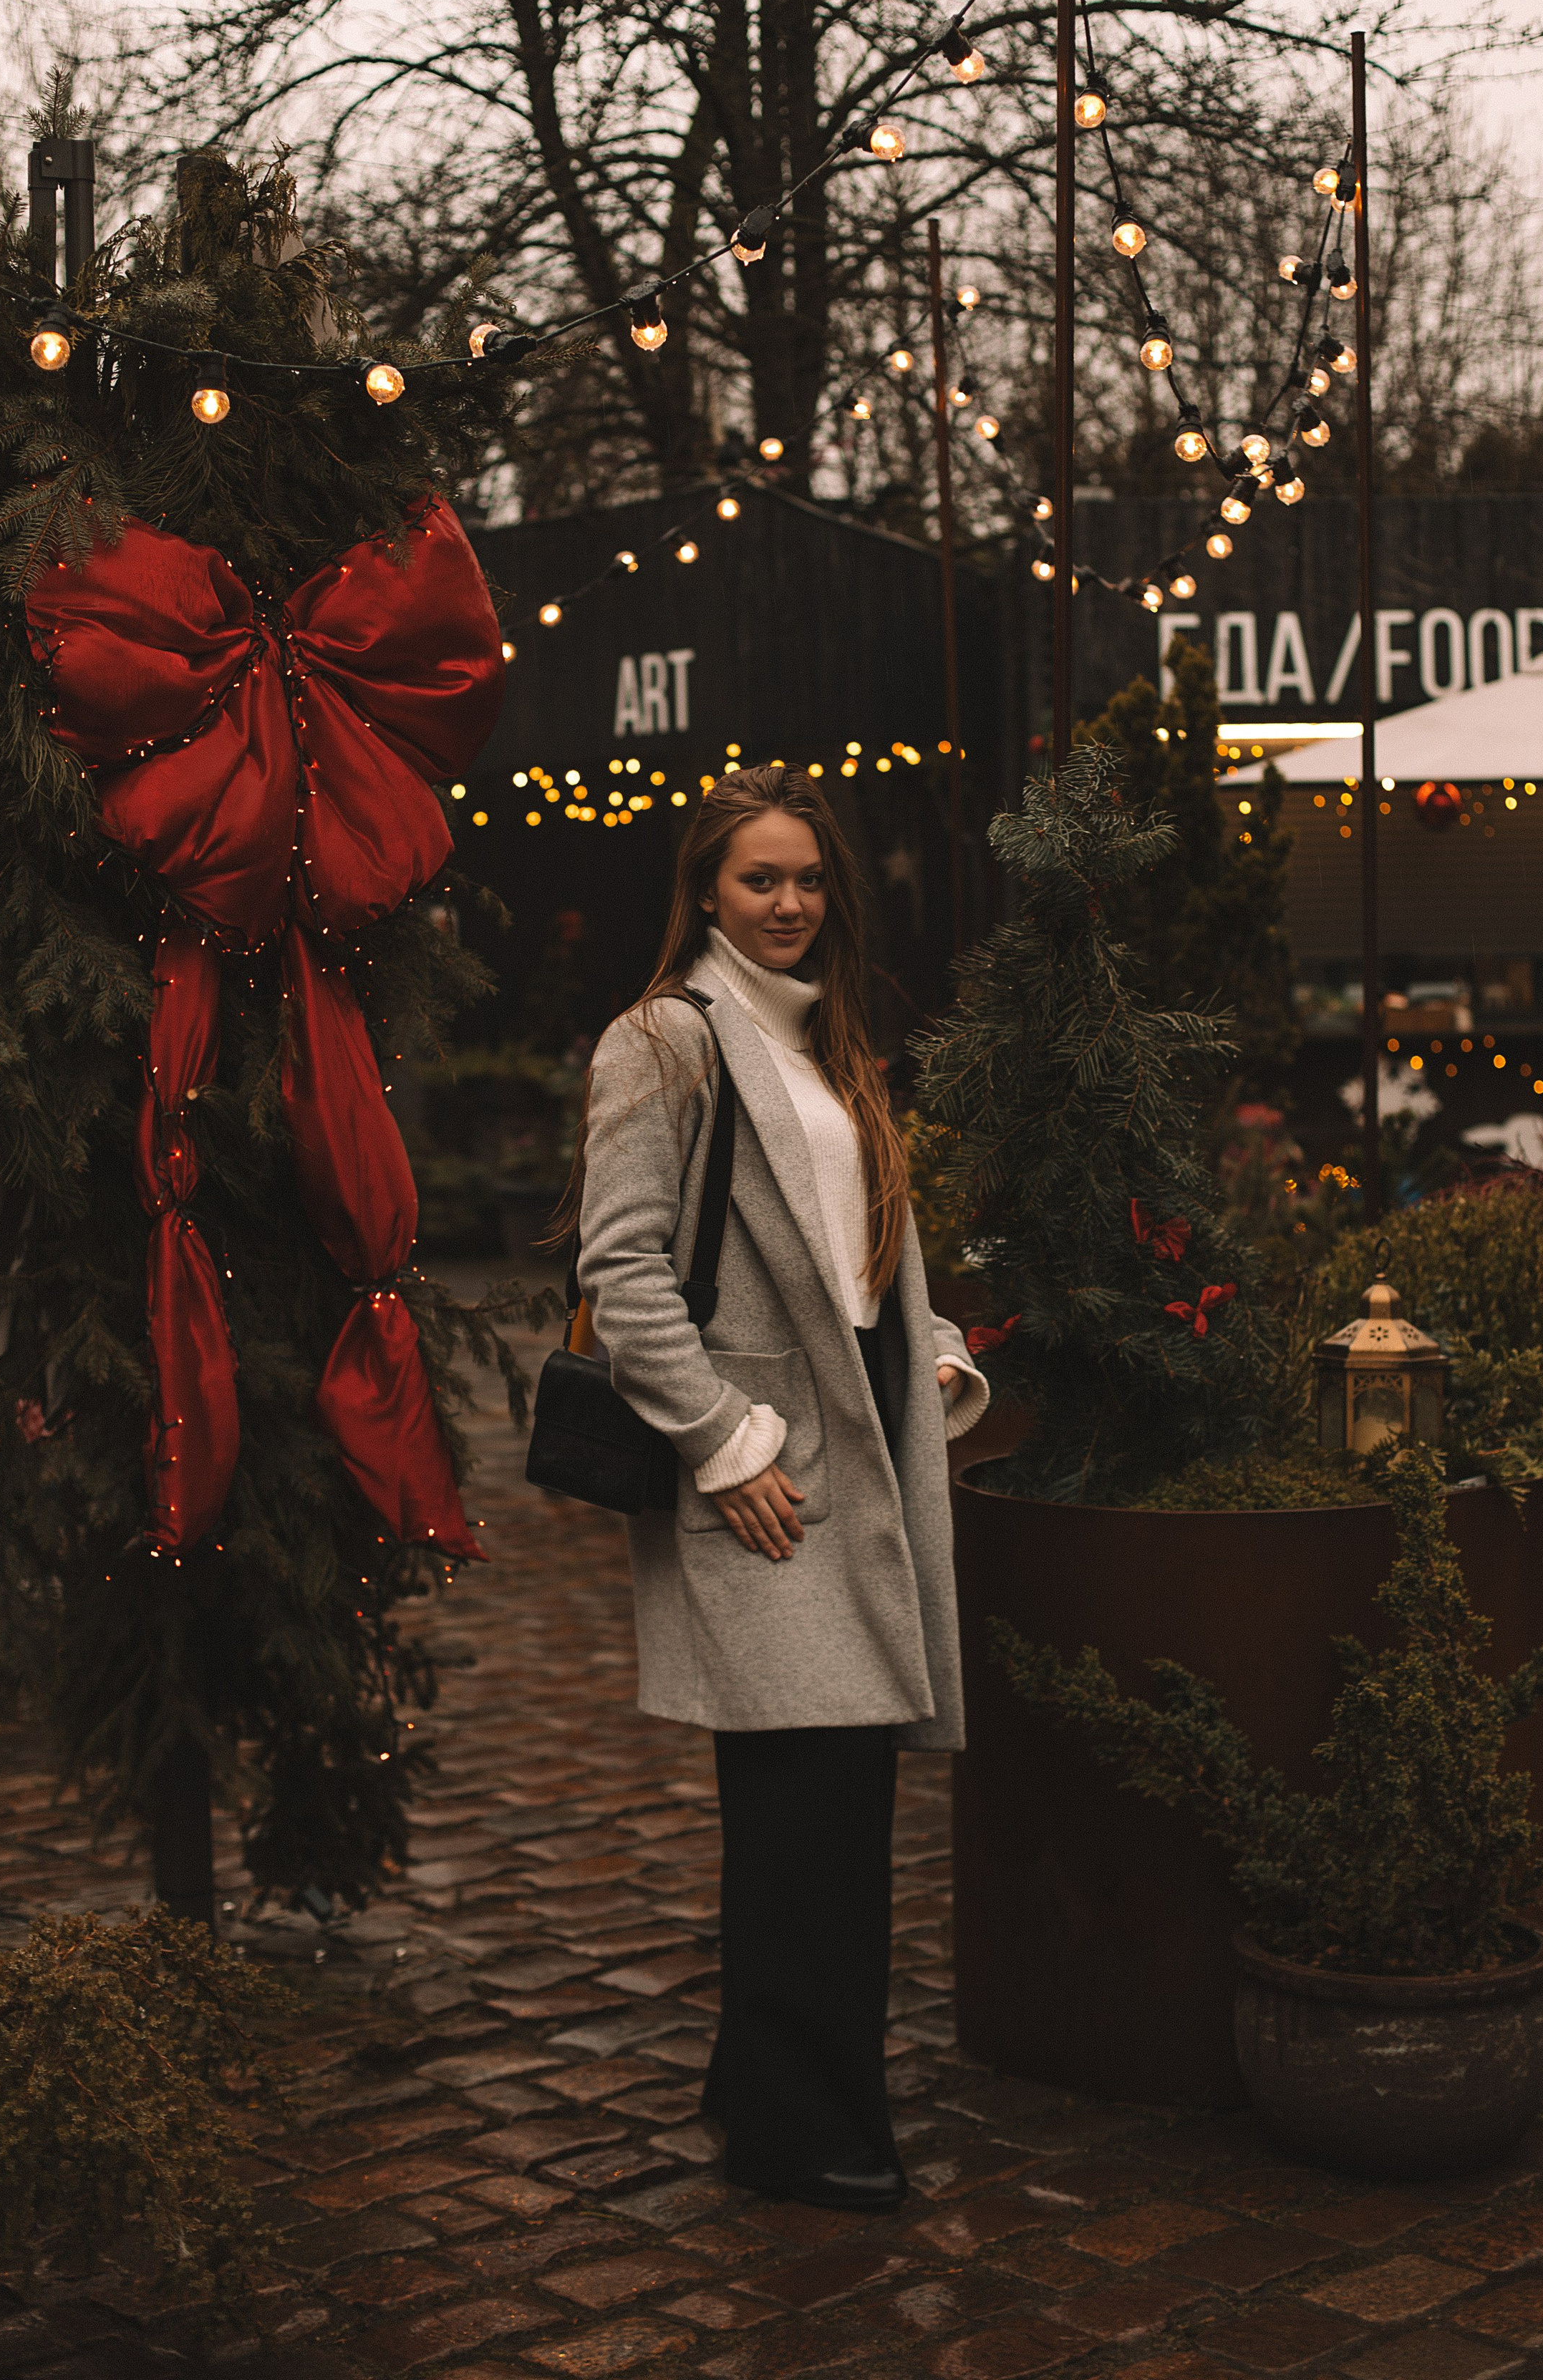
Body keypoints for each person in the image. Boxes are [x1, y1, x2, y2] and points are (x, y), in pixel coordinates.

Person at [565, 763, 987, 2210]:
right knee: (806, 1810)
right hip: (764, 1472)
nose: (791, 903)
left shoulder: (829, 1042)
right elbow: (619, 1271)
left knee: (831, 1806)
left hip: (859, 1450)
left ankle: (769, 2093)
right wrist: (723, 1442)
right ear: (704, 891)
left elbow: (862, 1245)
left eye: (809, 878)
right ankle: (804, 2136)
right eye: (761, 879)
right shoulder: (664, 1041)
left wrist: (928, 1353)